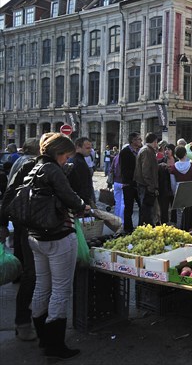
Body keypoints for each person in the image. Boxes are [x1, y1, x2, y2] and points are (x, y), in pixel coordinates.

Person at [27, 133, 90, 359]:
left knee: (42, 286)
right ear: (59, 153)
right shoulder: (53, 169)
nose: (67, 160)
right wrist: (83, 206)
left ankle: (43, 336)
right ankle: (55, 345)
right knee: (61, 290)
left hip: (35, 236)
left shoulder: (34, 167)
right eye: (66, 155)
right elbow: (70, 198)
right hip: (58, 235)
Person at [0, 136, 43, 342]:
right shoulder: (29, 164)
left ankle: (28, 321)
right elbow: (10, 195)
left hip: (22, 221)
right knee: (32, 274)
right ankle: (24, 322)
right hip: (28, 223)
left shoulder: (21, 161)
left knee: (30, 270)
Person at [170, 145, 192, 230]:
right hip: (190, 189)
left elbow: (172, 184)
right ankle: (190, 229)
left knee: (179, 213)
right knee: (190, 211)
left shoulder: (173, 167)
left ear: (176, 155)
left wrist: (174, 194)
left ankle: (180, 229)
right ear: (185, 154)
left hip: (178, 189)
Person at [134, 133, 159, 226]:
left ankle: (144, 228)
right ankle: (145, 229)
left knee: (146, 210)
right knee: (146, 210)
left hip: (145, 185)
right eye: (157, 142)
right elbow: (146, 170)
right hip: (145, 186)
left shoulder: (146, 150)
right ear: (155, 141)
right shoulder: (147, 151)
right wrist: (151, 186)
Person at [120, 132, 142, 233]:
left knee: (142, 205)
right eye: (138, 139)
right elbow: (124, 169)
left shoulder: (138, 151)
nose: (140, 141)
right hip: (129, 184)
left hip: (137, 184)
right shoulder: (125, 152)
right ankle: (128, 228)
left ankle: (141, 226)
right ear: (133, 141)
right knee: (129, 207)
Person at [67, 137, 96, 207]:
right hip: (80, 201)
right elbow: (83, 185)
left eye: (90, 148)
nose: (90, 150)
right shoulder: (79, 162)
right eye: (87, 148)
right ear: (78, 147)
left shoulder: (75, 159)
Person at [157, 143, 176, 224]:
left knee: (174, 207)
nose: (166, 151)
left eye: (168, 149)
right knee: (163, 208)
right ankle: (164, 224)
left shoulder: (177, 161)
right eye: (165, 149)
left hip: (174, 188)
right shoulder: (161, 161)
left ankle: (174, 223)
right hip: (164, 188)